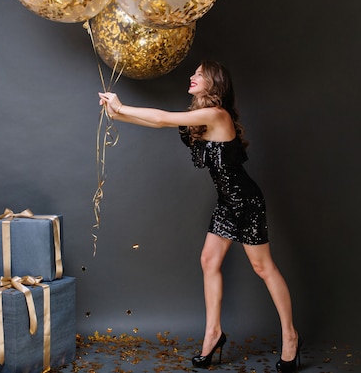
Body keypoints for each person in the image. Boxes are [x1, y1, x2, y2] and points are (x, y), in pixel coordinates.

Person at [98, 60, 301, 372]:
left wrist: (123, 107)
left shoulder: (216, 115)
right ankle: (213, 333)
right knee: (209, 261)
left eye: (199, 73)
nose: (192, 76)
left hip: (245, 201)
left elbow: (164, 118)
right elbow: (158, 123)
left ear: (214, 83)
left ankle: (290, 337)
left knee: (263, 267)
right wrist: (119, 114)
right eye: (193, 72)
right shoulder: (199, 118)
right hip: (226, 202)